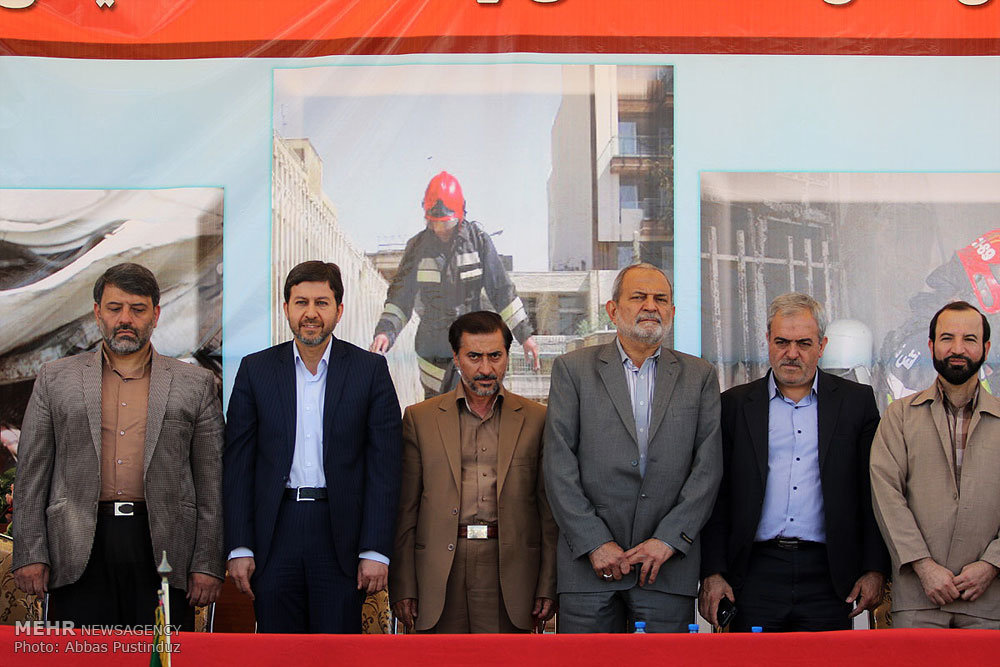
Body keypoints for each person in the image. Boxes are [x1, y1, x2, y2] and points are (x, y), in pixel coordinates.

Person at [12, 262, 224, 629]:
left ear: (156, 315)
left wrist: (206, 562)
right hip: (78, 547)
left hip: (165, 548)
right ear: (98, 313)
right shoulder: (55, 379)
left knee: (160, 657)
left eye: (138, 309)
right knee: (84, 658)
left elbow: (211, 482)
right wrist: (30, 552)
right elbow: (32, 474)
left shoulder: (197, 384)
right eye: (115, 308)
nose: (126, 318)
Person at [224, 261, 402, 634]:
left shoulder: (369, 371)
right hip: (276, 533)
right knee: (278, 652)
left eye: (321, 302)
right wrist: (240, 546)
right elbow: (238, 466)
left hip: (341, 537)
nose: (310, 313)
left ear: (339, 310)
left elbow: (384, 468)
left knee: (336, 652)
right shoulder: (255, 371)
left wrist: (374, 549)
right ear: (286, 308)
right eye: (300, 302)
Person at [543, 262, 722, 633]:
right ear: (612, 309)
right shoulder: (572, 370)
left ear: (672, 311)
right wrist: (595, 542)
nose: (650, 306)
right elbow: (558, 465)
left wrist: (669, 539)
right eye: (638, 297)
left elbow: (708, 469)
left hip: (666, 567)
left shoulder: (699, 375)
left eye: (661, 299)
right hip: (587, 568)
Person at [699, 293, 889, 632]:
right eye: (782, 341)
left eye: (804, 343)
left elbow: (871, 490)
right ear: (768, 342)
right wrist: (713, 572)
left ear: (822, 345)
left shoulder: (856, 403)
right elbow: (717, 494)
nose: (792, 353)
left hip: (830, 575)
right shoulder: (734, 405)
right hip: (754, 573)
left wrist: (874, 569)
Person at [390, 311, 557, 633]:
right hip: (439, 572)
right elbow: (405, 511)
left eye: (495, 356)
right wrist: (404, 585)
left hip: (512, 572)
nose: (485, 369)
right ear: (456, 358)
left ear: (508, 356)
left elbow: (549, 513)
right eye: (474, 357)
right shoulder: (420, 419)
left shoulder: (537, 419)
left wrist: (548, 583)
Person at [870, 300, 1000, 629]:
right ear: (931, 346)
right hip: (918, 600)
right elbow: (887, 497)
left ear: (986, 347)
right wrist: (924, 567)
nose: (957, 348)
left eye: (969, 339)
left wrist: (991, 565)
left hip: (989, 601)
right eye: (947, 338)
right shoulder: (899, 416)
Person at [370, 171, 540, 398]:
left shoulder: (478, 242)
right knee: (438, 415)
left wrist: (525, 336)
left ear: (460, 215)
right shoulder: (418, 247)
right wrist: (385, 332)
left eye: (446, 223)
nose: (440, 229)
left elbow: (502, 292)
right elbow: (401, 297)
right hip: (433, 351)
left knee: (476, 413)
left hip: (473, 344)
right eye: (434, 223)